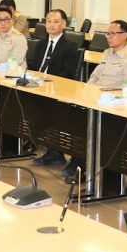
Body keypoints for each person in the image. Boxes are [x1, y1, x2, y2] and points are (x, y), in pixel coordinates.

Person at [27, 10, 83, 168]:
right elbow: (34, 67)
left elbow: (68, 74)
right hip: (37, 87)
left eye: (56, 21)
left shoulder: (70, 46)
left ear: (64, 24)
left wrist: (47, 83)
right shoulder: (41, 44)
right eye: (49, 21)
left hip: (57, 90)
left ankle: (55, 152)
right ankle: (27, 141)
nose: (51, 25)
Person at [87, 20, 127, 90]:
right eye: (108, 34)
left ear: (124, 36)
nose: (108, 37)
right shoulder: (107, 53)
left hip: (112, 94)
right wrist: (89, 88)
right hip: (96, 90)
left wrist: (108, 90)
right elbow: (95, 76)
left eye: (112, 33)